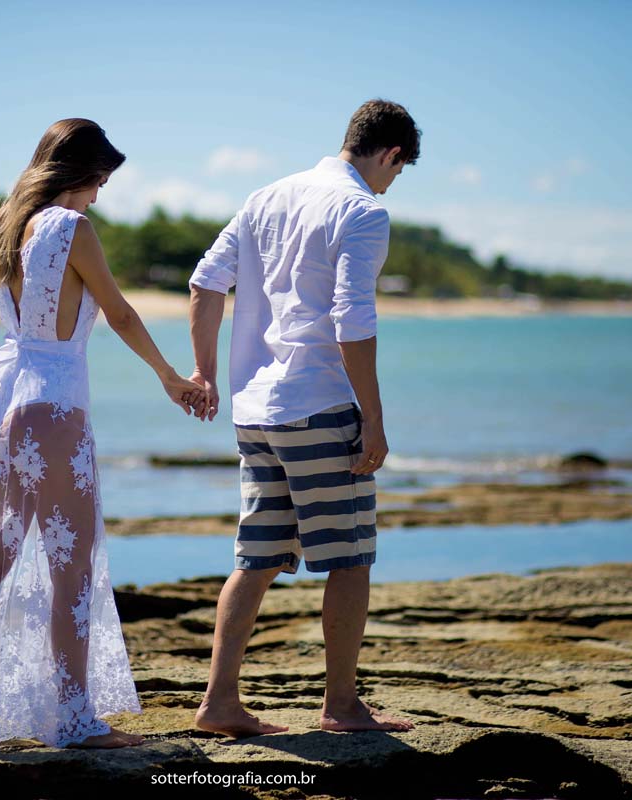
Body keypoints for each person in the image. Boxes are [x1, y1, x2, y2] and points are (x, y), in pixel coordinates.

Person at [0, 118, 207, 753]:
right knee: (71, 566)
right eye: (101, 178)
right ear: (80, 172)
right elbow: (120, 312)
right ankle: (75, 717)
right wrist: (168, 376)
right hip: (53, 408)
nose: (101, 192)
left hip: (0, 408)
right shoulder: (72, 228)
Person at [187, 99, 420, 737]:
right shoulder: (363, 209)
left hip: (255, 410)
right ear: (390, 153)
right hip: (318, 402)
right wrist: (372, 418)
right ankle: (341, 706)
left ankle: (219, 703)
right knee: (348, 557)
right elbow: (352, 319)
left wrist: (205, 374)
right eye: (397, 171)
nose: (391, 182)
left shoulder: (266, 196)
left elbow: (205, 283)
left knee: (257, 556)